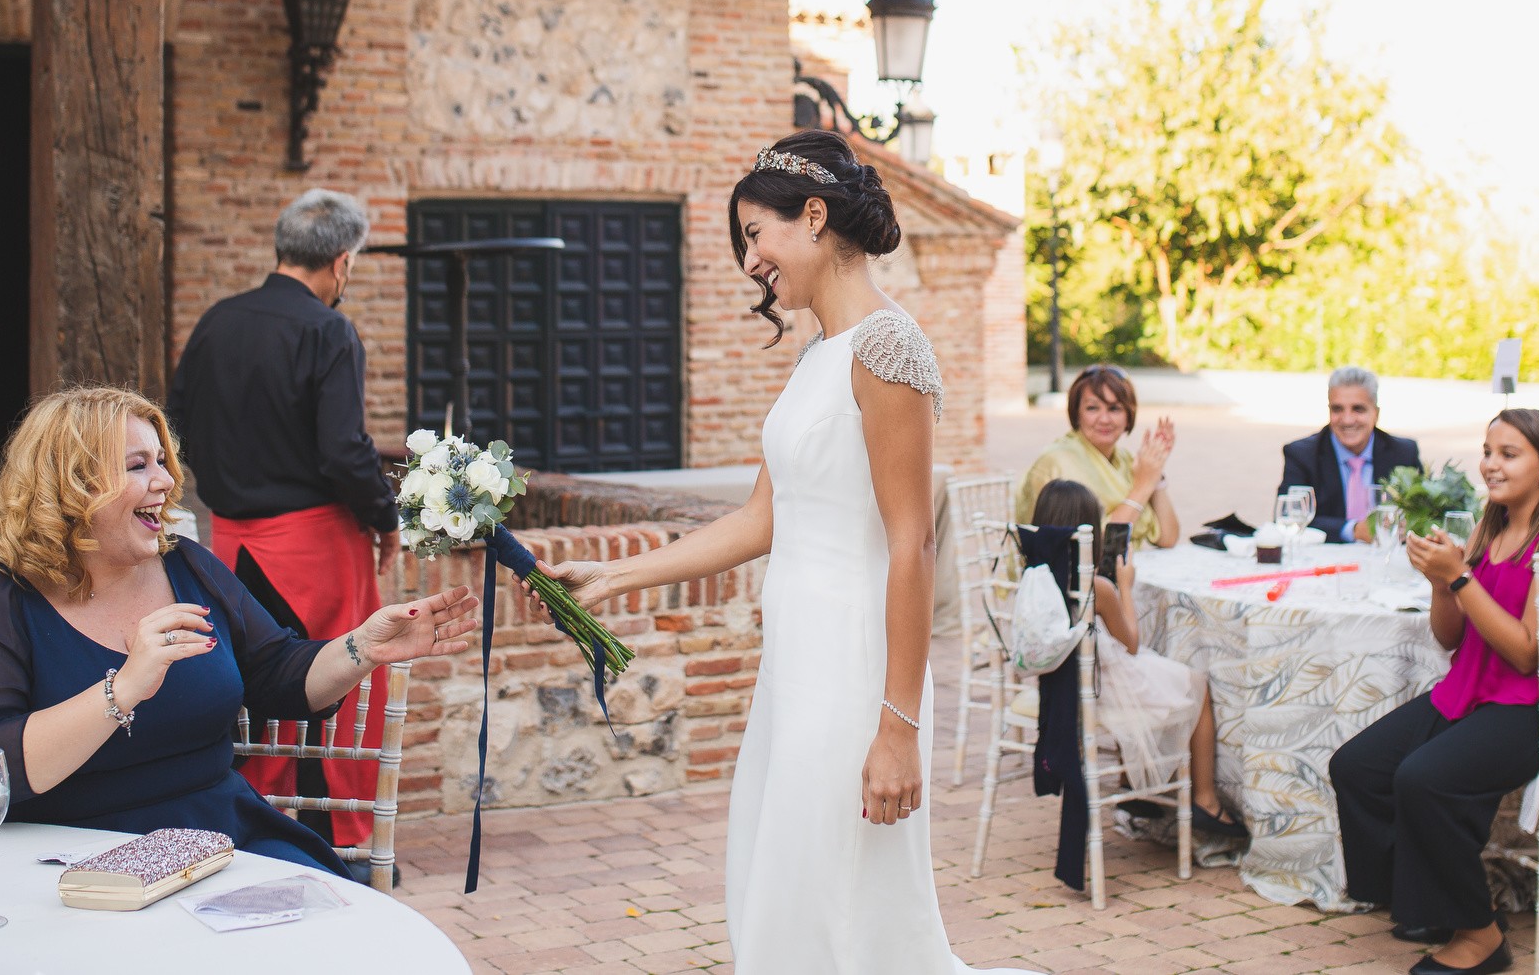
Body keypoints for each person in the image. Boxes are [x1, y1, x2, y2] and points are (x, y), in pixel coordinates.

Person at [529, 131, 1036, 975]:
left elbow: (911, 541)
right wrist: (614, 574)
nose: (751, 260)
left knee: (831, 904)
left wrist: (898, 730)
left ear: (812, 215)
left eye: (755, 234)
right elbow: (764, 517)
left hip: (856, 671)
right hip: (795, 665)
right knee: (780, 884)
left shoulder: (887, 347)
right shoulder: (816, 355)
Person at [0, 386, 477, 877]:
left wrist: (363, 646)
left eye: (163, 462)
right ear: (73, 486)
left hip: (217, 843)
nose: (166, 482)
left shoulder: (187, 567)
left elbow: (279, 674)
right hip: (69, 862)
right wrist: (123, 689)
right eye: (139, 465)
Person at [1328, 409, 1539, 975]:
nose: (1490, 465)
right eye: (1488, 451)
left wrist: (1461, 577)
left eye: (1509, 454)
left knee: (1424, 778)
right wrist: (1442, 584)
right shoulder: (1491, 526)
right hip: (1471, 690)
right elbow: (1450, 636)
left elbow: (1529, 653)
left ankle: (1481, 936)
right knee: (1357, 767)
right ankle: (1425, 904)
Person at [166, 188, 398, 847]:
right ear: (343, 262)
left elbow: (176, 424)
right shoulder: (328, 330)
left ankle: (244, 826)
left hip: (231, 542)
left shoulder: (217, 319)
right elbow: (343, 450)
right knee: (334, 683)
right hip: (312, 544)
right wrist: (384, 516)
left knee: (248, 687)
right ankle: (336, 836)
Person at [1028, 479, 1246, 841]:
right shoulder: (1097, 587)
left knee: (1162, 670)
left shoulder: (1036, 574)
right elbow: (1130, 642)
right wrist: (1124, 587)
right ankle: (1206, 798)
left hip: (1065, 685)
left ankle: (1137, 789)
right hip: (1104, 687)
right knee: (1196, 684)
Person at [1015, 365, 1181, 549]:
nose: (1104, 419)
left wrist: (1155, 473)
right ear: (1077, 413)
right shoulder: (1058, 462)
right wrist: (1142, 487)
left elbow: (1167, 538)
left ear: (1128, 416)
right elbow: (1090, 548)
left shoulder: (1125, 460)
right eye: (1092, 408)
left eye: (1114, 409)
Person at [1278, 366, 1422, 542]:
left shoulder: (1403, 454)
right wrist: (1353, 530)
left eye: (1358, 409)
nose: (1347, 420)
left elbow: (1424, 514)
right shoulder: (1302, 454)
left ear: (1376, 413)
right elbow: (1287, 518)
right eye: (1337, 409)